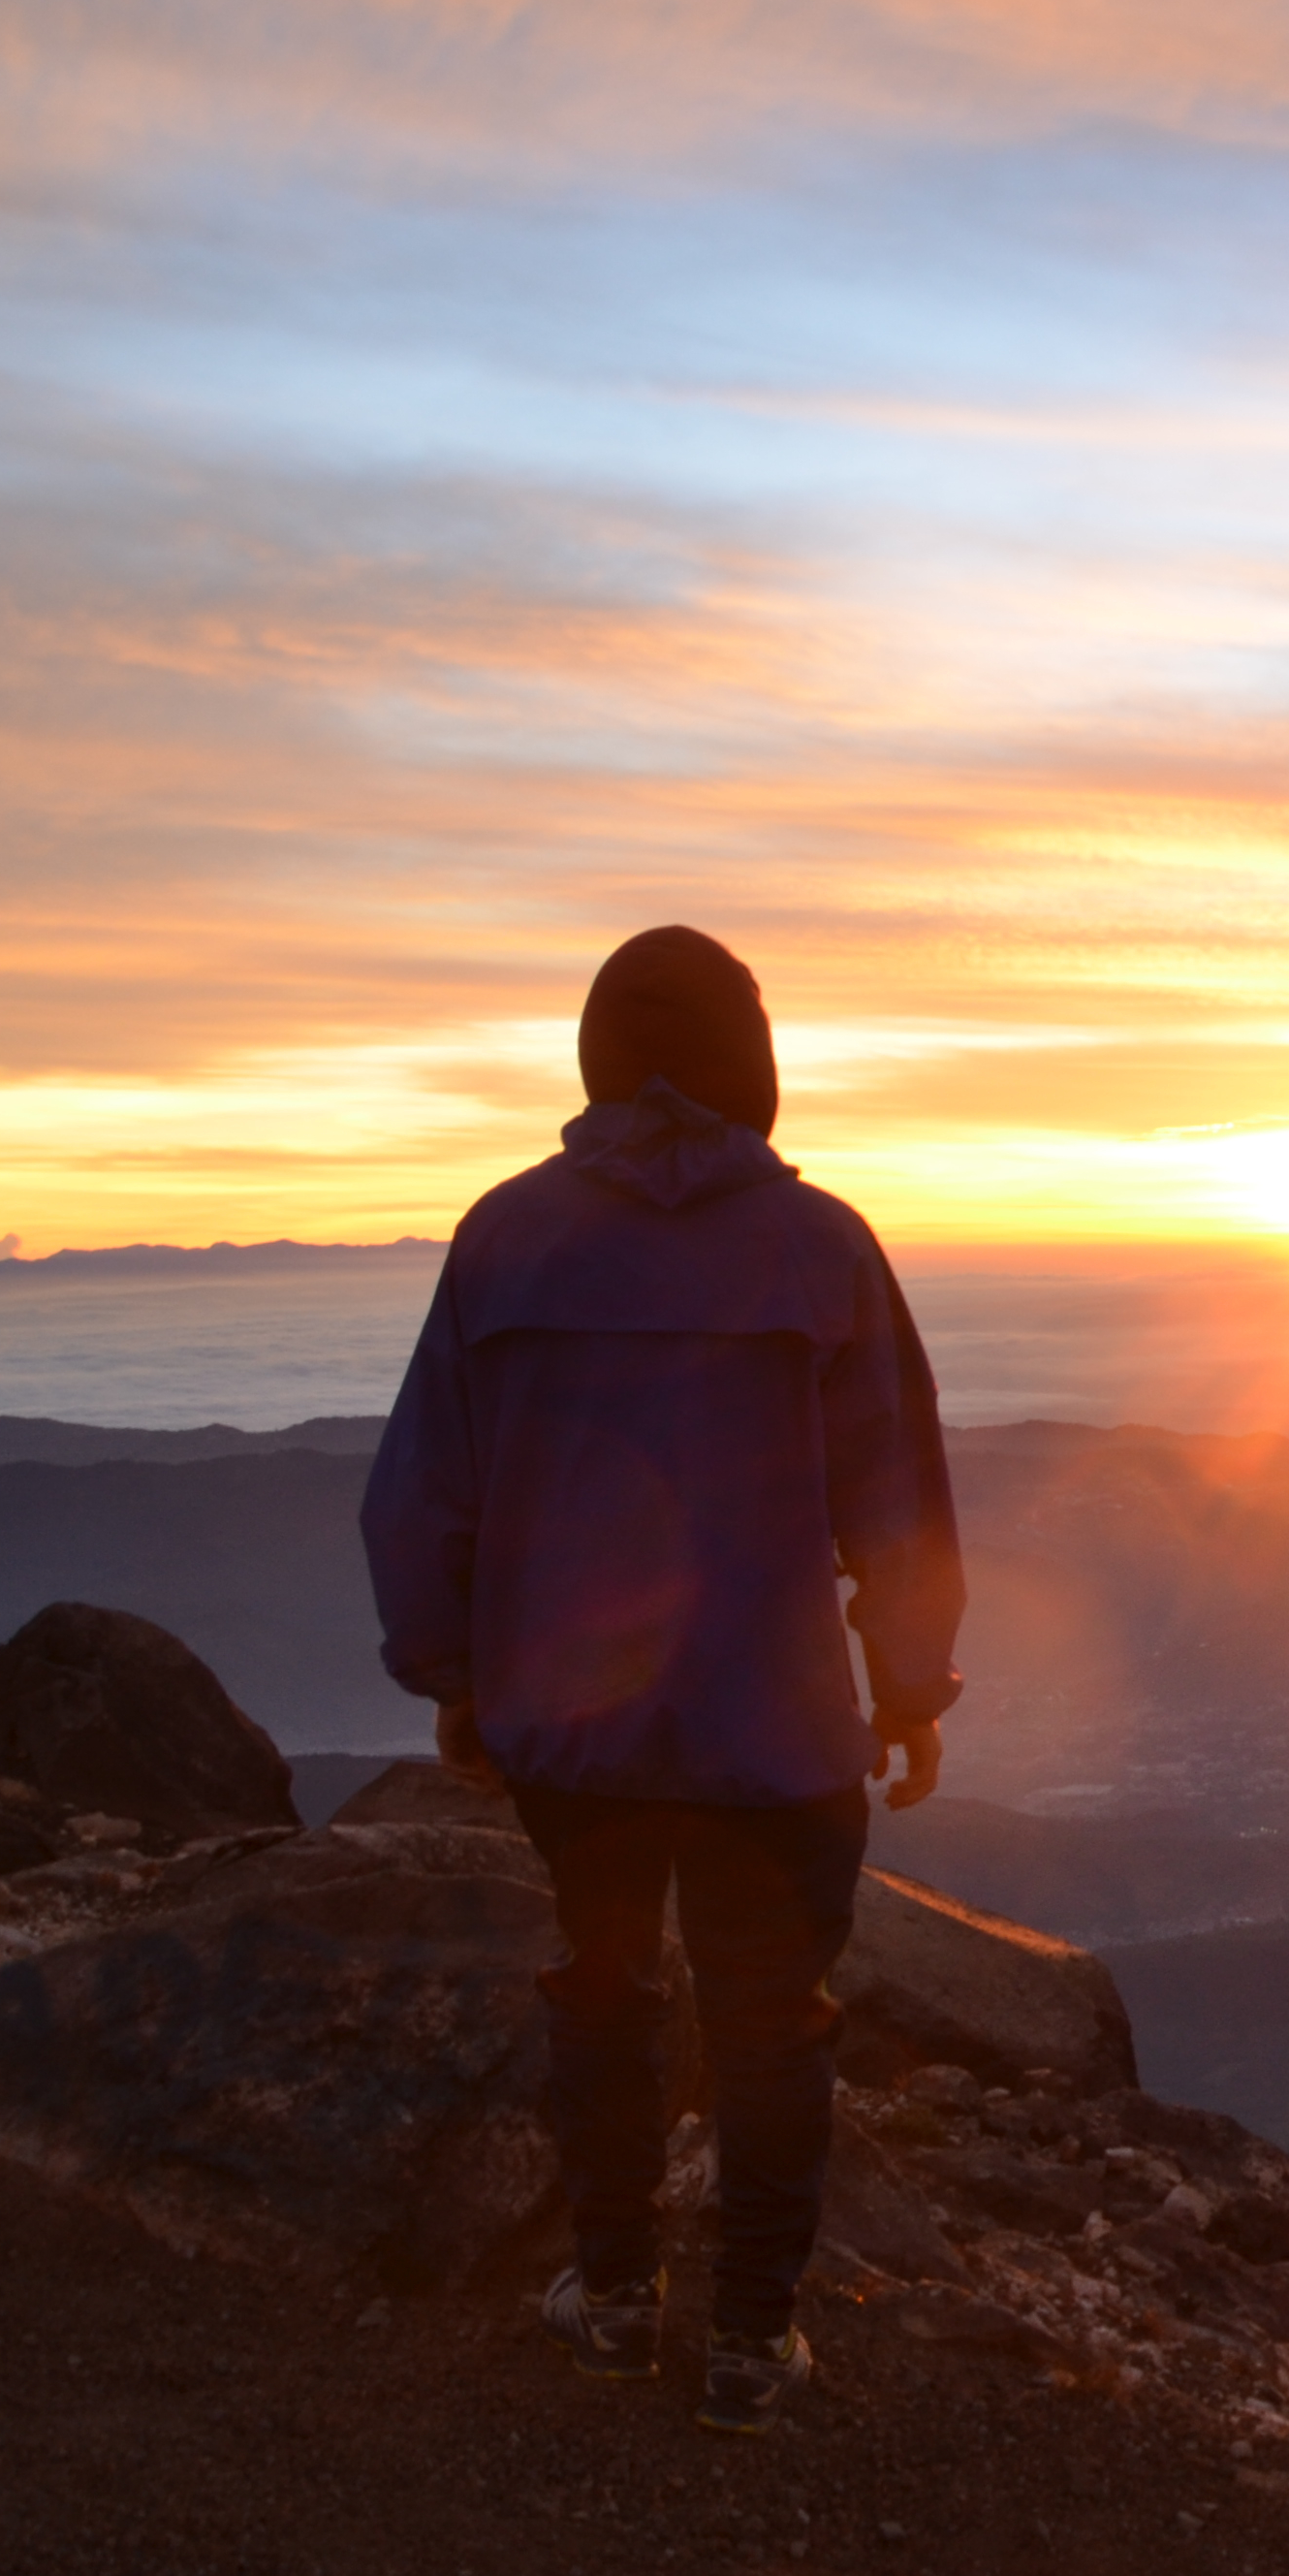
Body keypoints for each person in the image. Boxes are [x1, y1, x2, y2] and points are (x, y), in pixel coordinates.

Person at [361, 926, 962, 2433]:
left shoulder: (503, 1239)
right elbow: (897, 1501)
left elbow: (423, 1493)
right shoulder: (822, 1249)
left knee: (607, 1990)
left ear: (594, 1053)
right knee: (774, 2020)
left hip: (573, 1732)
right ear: (756, 1065)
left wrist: (449, 1675)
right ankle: (753, 2341)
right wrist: (909, 1687)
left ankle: (616, 2298)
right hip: (779, 1738)